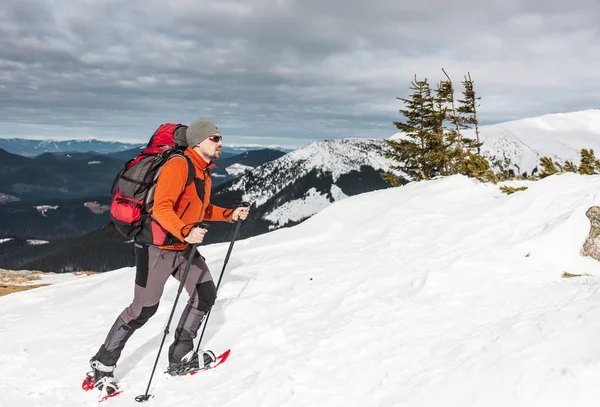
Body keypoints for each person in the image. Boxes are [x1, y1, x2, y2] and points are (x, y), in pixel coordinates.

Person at [88, 119, 250, 395]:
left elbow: (199, 208)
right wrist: (186, 230)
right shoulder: (179, 165)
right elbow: (162, 208)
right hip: (156, 248)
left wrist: (229, 214)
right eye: (215, 137)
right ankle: (101, 366)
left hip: (182, 248)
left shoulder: (202, 171)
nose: (221, 142)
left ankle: (180, 357)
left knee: (205, 294)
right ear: (198, 141)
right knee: (143, 310)